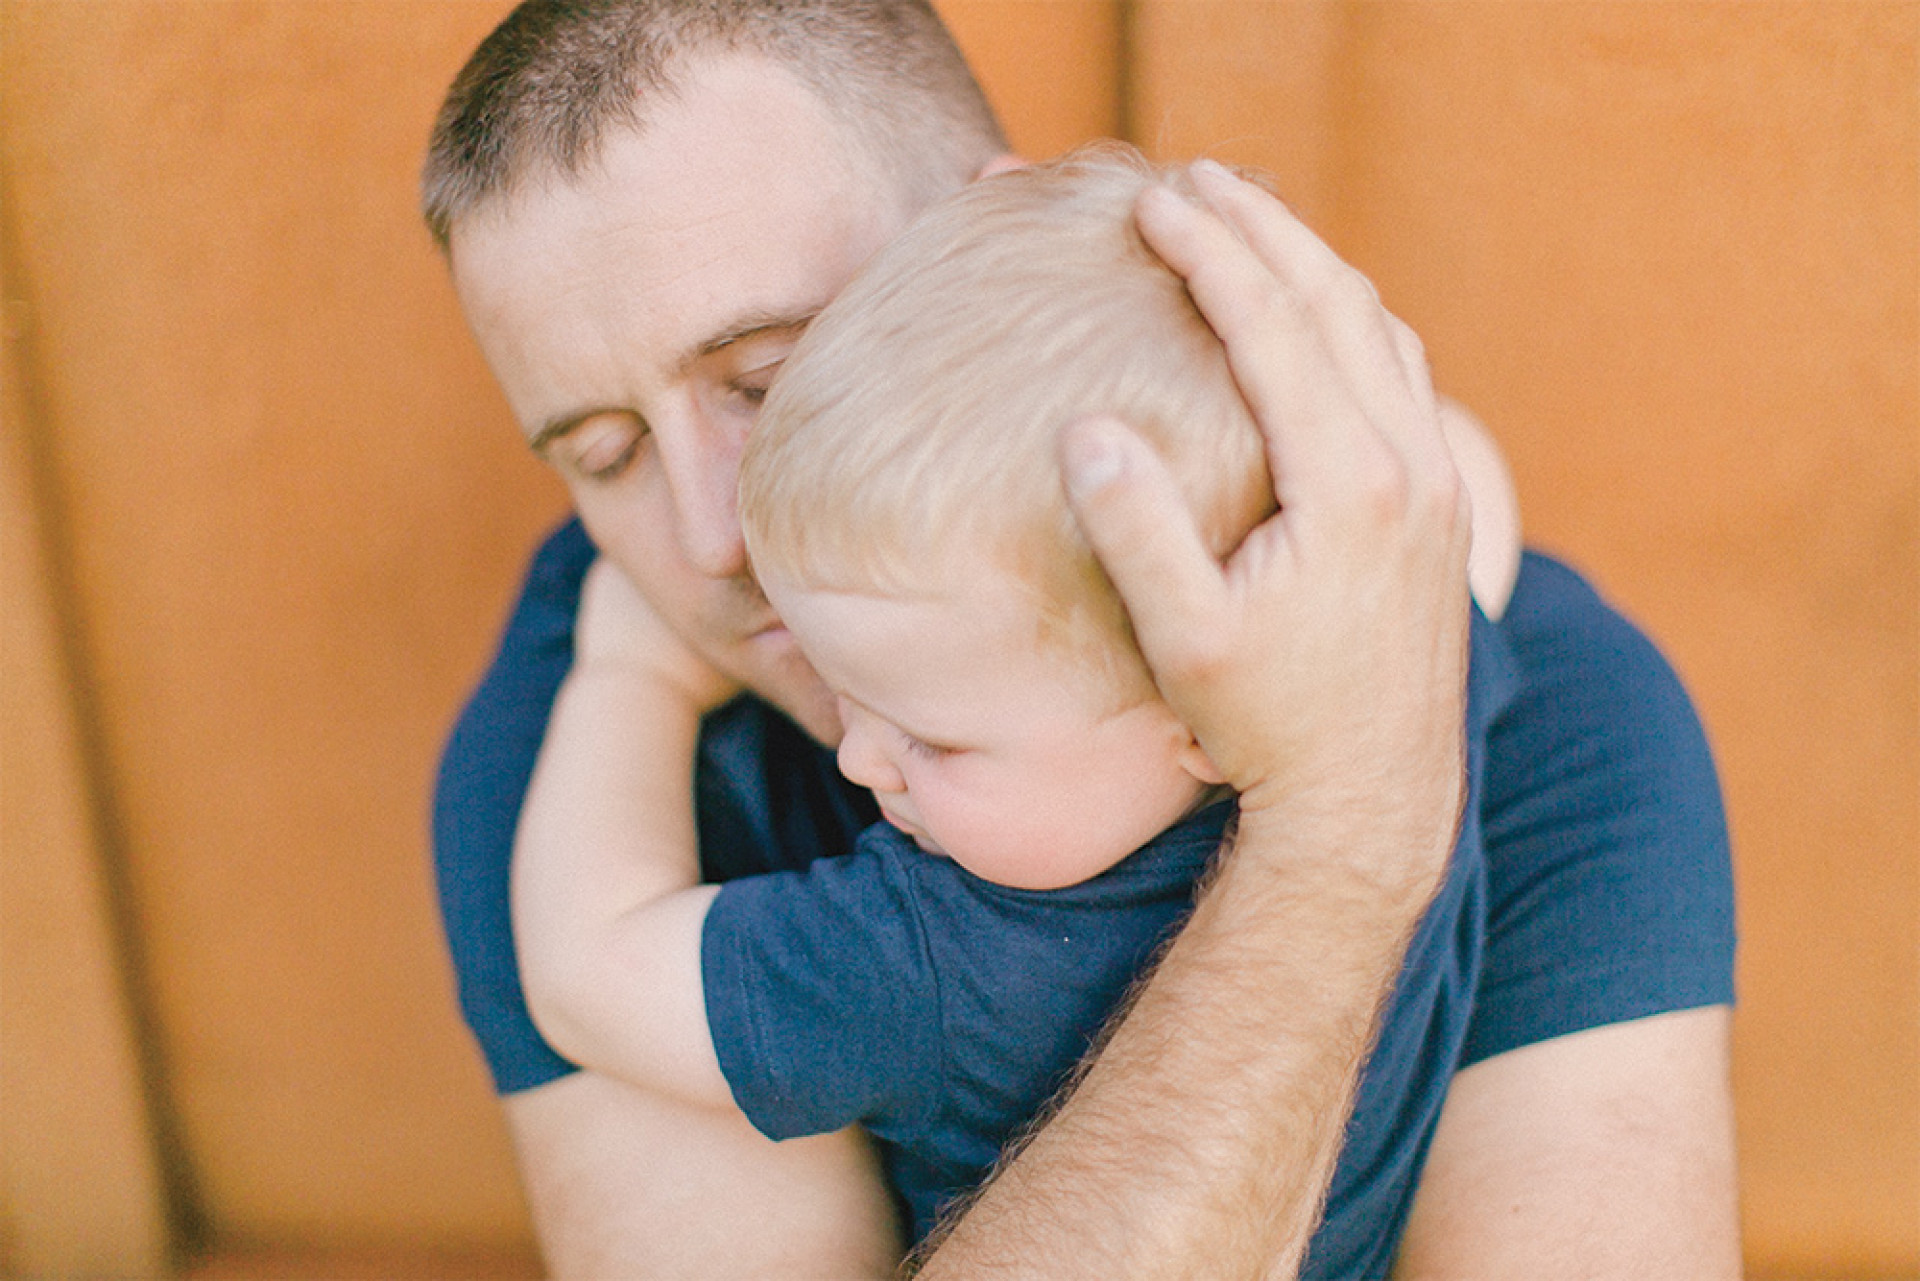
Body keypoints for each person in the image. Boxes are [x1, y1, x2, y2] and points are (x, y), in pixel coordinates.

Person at [424, 2, 1740, 1276]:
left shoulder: (1552, 690)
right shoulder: (589, 761)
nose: (714, 536)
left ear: (991, 235)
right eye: (604, 456)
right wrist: (1337, 850)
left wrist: (1347, 802)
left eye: (773, 379)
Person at [511, 146, 1515, 1259]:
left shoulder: (927, 956)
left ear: (1201, 717)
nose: (861, 762)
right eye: (851, 695)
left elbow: (585, 981)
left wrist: (628, 678)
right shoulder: (1413, 670)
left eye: (933, 738)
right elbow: (1456, 477)